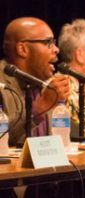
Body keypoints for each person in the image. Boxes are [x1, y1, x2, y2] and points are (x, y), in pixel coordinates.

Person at [0, 17, 70, 198]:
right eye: (48, 43)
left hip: (46, 182)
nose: (56, 49)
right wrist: (39, 109)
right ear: (22, 49)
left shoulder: (44, 82)